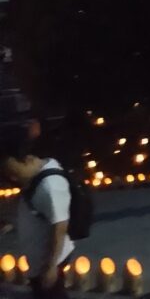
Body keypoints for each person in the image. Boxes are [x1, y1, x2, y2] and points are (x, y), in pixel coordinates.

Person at [0, 128, 74, 299]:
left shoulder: (50, 187)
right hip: (39, 259)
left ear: (28, 160)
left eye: (14, 172)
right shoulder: (37, 173)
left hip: (47, 261)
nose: (13, 178)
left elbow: (60, 227)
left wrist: (51, 267)